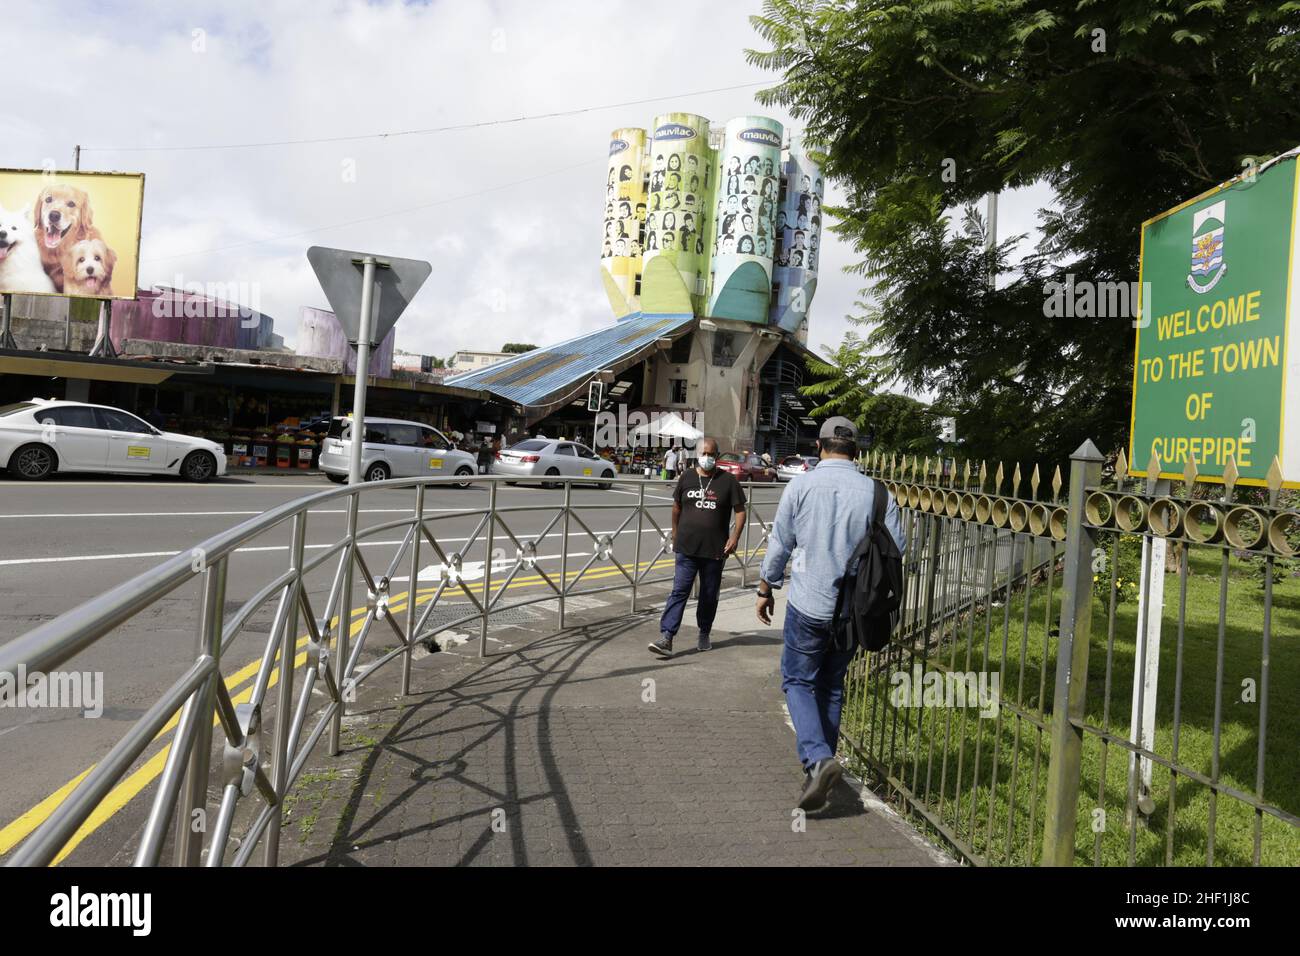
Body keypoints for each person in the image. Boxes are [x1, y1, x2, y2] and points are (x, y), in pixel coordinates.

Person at [756, 417, 906, 812]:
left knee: (797, 681)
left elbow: (781, 543)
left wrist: (766, 586)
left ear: (820, 447)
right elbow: (900, 546)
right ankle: (817, 774)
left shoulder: (801, 486)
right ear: (857, 451)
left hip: (809, 604)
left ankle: (819, 761)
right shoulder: (878, 493)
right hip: (853, 611)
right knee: (832, 687)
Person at [649, 438, 746, 658]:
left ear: (717, 456)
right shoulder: (687, 477)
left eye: (711, 454)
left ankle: (704, 632)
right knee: (679, 591)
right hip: (686, 547)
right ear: (697, 454)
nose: (707, 457)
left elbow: (740, 511)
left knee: (709, 594)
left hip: (714, 549)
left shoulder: (728, 481)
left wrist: (735, 537)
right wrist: (675, 532)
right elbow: (676, 507)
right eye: (704, 453)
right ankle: (667, 636)